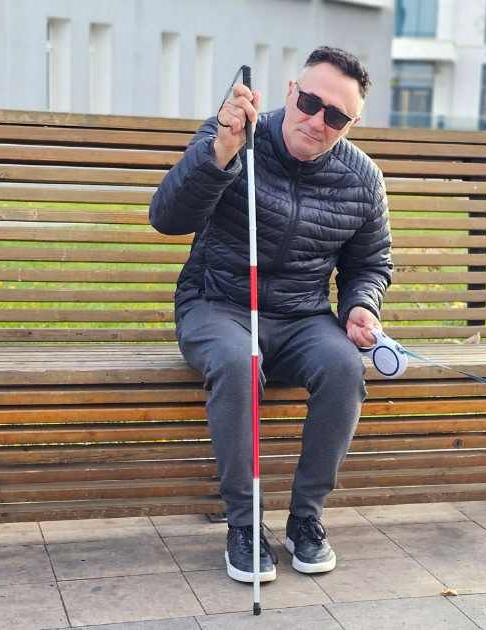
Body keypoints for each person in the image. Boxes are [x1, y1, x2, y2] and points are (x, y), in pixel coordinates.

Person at [149, 46, 391, 583]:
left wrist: (359, 307)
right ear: (289, 91)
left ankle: (306, 520)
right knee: (238, 361)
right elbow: (166, 218)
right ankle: (244, 524)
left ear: (352, 123)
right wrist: (220, 153)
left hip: (304, 316)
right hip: (219, 305)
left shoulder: (362, 179)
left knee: (344, 367)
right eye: (310, 102)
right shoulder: (234, 134)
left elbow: (369, 263)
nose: (316, 120)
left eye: (336, 116)